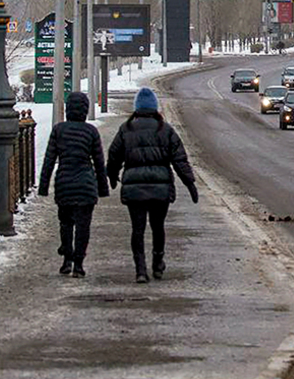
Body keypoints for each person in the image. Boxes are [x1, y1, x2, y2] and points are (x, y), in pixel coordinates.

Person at [107, 87, 198, 283]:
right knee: (158, 226)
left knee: (137, 229)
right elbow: (179, 159)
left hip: (134, 188)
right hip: (160, 187)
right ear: (155, 107)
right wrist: (190, 183)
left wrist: (112, 177)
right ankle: (158, 263)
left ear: (137, 108)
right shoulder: (165, 130)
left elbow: (114, 156)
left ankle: (140, 270)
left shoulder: (126, 129)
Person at [38, 92, 109, 278]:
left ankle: (66, 261)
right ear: (85, 111)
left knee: (66, 223)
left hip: (64, 183)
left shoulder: (58, 130)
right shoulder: (91, 132)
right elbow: (99, 163)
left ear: (68, 109)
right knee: (83, 227)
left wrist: (43, 187)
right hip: (86, 185)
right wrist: (103, 188)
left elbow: (49, 160)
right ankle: (79, 264)